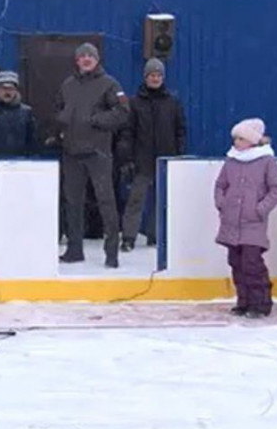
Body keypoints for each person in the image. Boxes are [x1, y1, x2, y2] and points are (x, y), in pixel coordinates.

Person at [57, 42, 129, 268]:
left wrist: (97, 121)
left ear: (97, 60)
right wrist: (62, 126)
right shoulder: (68, 84)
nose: (86, 59)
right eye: (82, 56)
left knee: (106, 202)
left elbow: (123, 111)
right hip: (71, 152)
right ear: (77, 61)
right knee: (72, 203)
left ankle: (111, 253)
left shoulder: (110, 84)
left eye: (90, 55)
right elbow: (58, 107)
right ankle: (74, 249)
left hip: (98, 152)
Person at [215, 118, 277, 319]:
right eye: (235, 138)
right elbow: (220, 185)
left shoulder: (267, 161)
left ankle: (261, 303)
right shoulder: (231, 160)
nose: (236, 142)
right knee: (236, 262)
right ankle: (243, 301)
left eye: (241, 138)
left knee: (252, 263)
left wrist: (260, 209)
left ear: (253, 141)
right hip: (231, 222)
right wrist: (222, 204)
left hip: (253, 223)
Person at [119, 58, 186, 251]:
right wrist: (128, 157)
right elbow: (127, 132)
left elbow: (180, 130)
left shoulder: (172, 103)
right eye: (152, 75)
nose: (155, 79)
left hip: (166, 159)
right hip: (142, 160)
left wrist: (178, 153)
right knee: (136, 200)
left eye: (158, 75)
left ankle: (155, 235)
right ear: (145, 77)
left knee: (161, 201)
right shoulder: (135, 103)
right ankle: (129, 237)